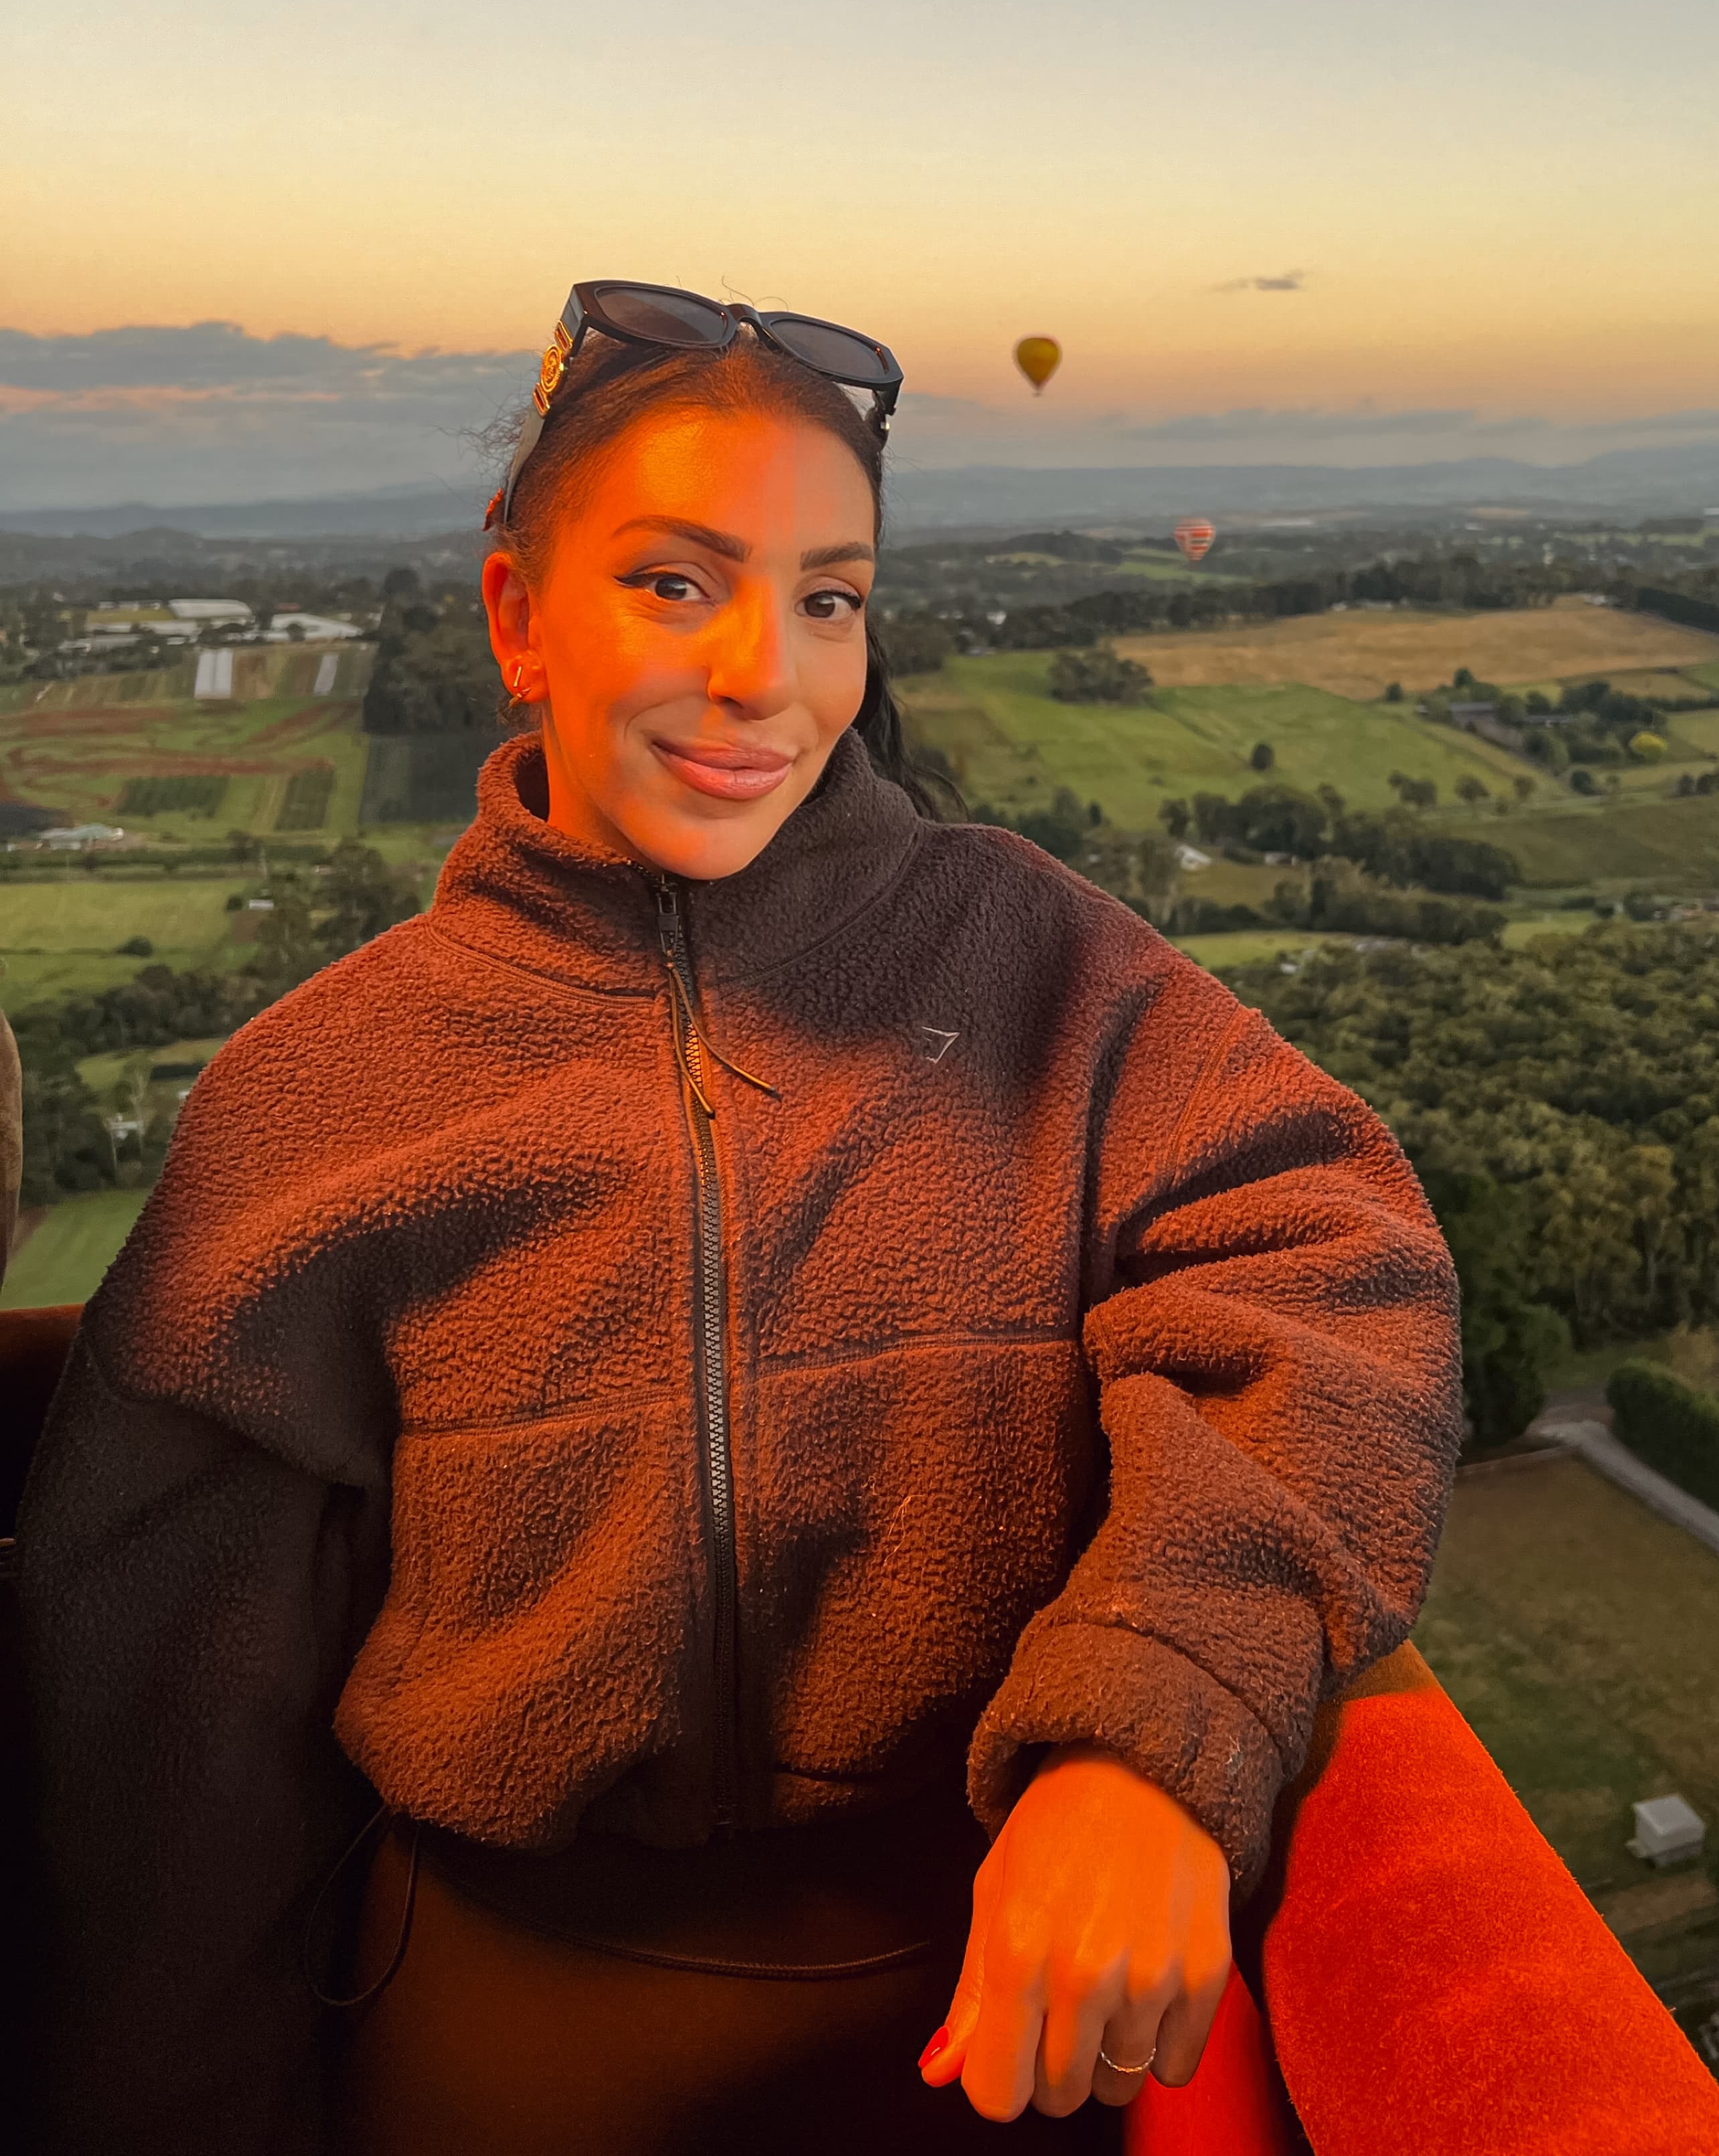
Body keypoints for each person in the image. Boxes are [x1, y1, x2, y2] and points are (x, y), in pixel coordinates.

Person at [18, 282, 1461, 2155]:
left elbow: (1342, 1268)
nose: (763, 672)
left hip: (997, 2016)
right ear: (519, 619)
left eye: (830, 597)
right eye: (677, 584)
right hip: (489, 2033)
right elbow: (164, 1758)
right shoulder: (318, 1101)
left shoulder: (1041, 966)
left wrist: (1155, 1732)